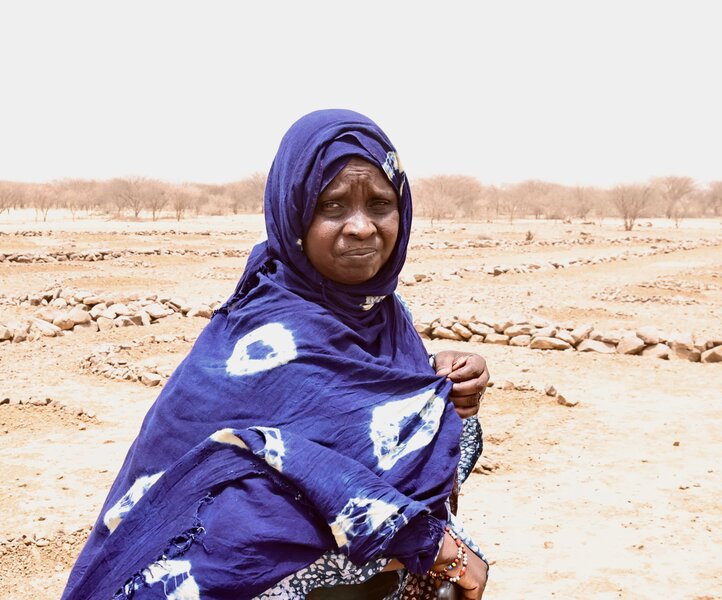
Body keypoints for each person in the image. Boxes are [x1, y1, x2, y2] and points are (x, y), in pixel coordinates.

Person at [62, 109, 490, 600]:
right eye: (332, 206)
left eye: (380, 203)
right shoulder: (256, 339)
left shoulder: (391, 320)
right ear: (295, 216)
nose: (361, 227)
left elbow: (417, 466)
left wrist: (449, 401)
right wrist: (430, 545)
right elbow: (231, 520)